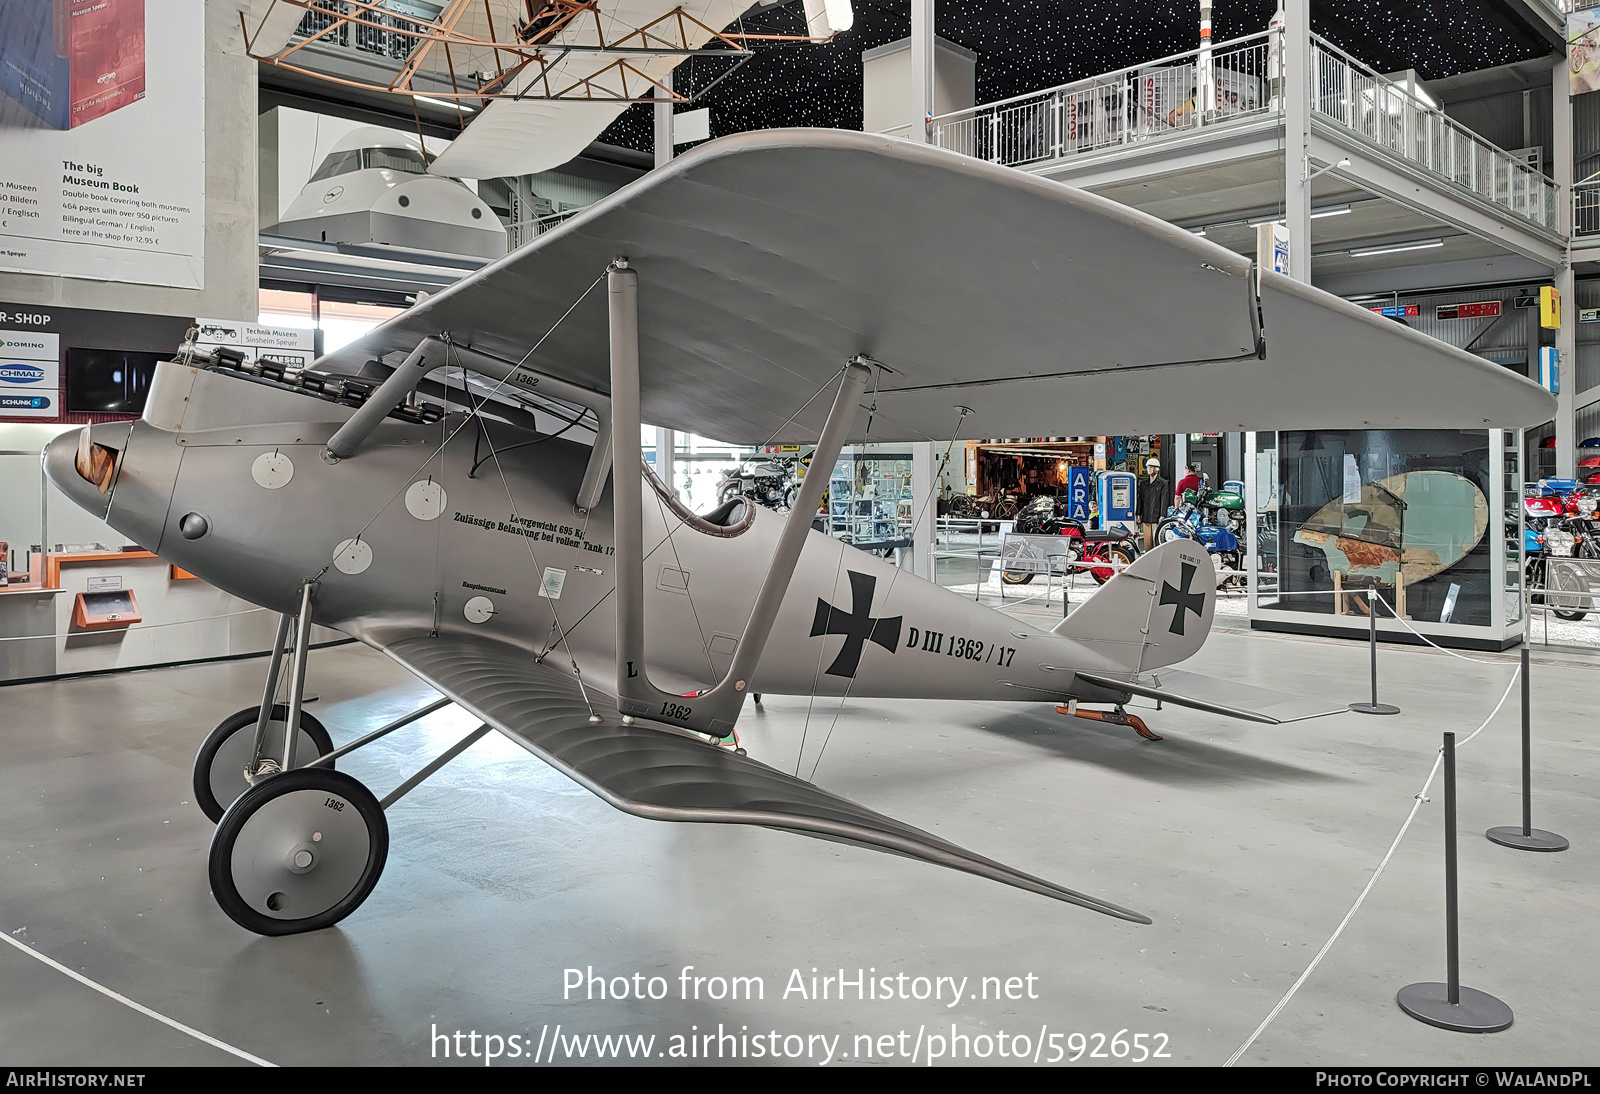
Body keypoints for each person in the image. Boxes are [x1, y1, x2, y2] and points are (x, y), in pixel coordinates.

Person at [1138, 458, 1169, 551]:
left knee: (1156, 541)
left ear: (1157, 469)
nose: (1149, 469)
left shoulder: (1163, 483)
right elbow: (1140, 499)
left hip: (1157, 516)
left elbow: (1164, 499)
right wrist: (1138, 513)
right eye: (1148, 467)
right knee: (1147, 543)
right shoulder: (1143, 484)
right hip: (1146, 515)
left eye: (1151, 467)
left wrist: (1163, 515)